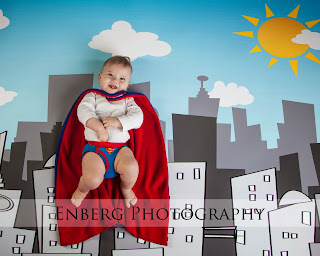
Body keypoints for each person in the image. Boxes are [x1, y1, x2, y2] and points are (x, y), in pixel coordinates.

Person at [71, 56, 143, 208]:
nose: (115, 81)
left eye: (122, 78)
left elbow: (138, 118)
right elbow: (83, 111)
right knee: (92, 180)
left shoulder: (127, 100)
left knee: (131, 168)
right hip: (95, 150)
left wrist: (118, 121)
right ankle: (81, 189)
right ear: (100, 77)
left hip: (120, 150)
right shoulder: (92, 96)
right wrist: (98, 127)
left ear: (128, 85)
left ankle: (126, 188)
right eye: (110, 75)